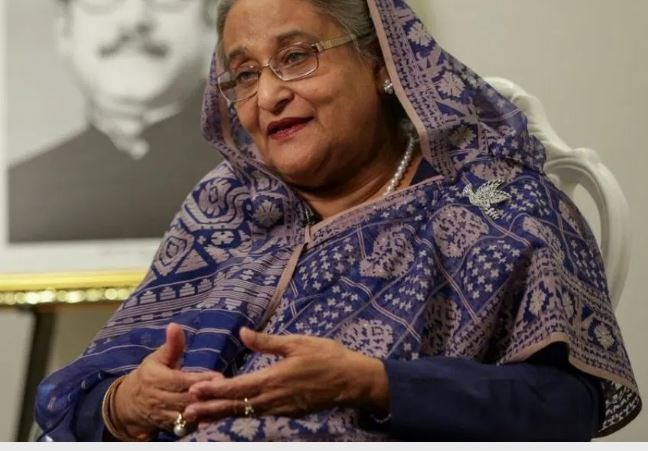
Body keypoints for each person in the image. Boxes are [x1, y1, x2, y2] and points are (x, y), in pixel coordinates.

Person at [35, 0, 641, 441]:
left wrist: (372, 383)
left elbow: (568, 407)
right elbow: (77, 395)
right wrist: (125, 403)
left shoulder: (496, 205)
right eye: (244, 74)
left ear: (382, 61)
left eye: (296, 57)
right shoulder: (226, 208)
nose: (268, 95)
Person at [8, 0, 222, 242]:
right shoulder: (15, 192)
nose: (134, 18)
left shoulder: (255, 179)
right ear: (64, 28)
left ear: (210, 23)